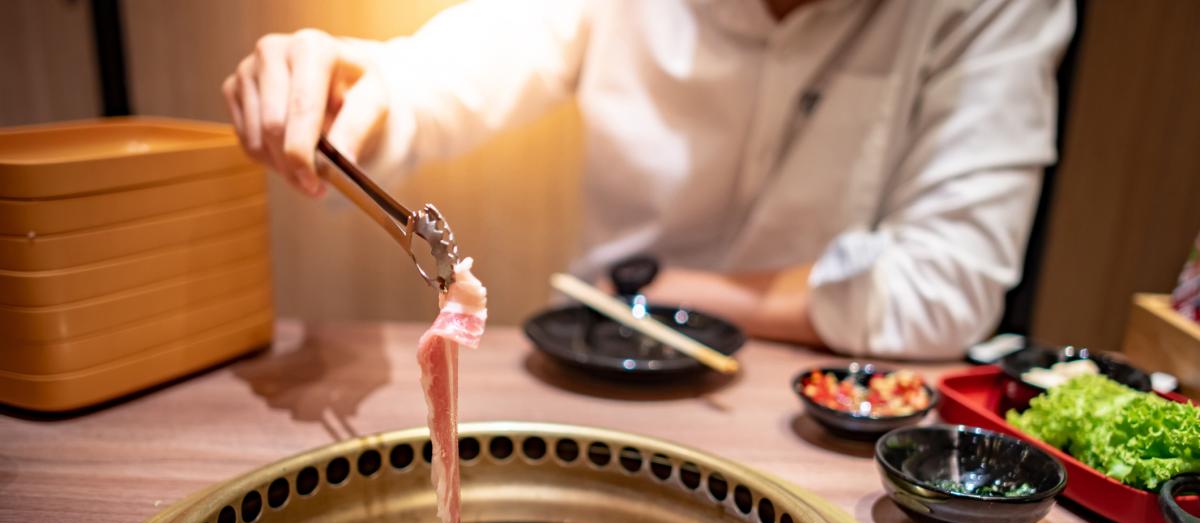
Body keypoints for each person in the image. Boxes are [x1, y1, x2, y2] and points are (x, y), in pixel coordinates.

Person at [223, 0, 1074, 358]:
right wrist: (347, 95)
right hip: (601, 363)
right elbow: (452, 74)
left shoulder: (989, 12)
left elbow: (950, 285)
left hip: (821, 391)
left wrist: (678, 292)